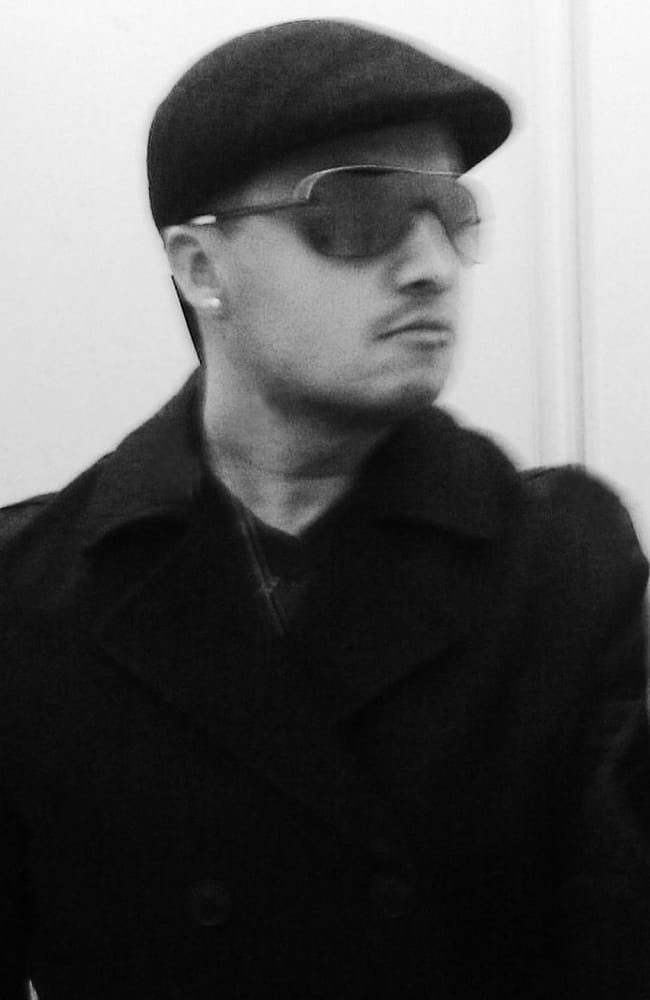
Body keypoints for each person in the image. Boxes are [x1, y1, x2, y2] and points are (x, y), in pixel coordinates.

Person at [0, 18, 649, 1000]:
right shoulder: (28, 599)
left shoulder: (563, 566)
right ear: (200, 267)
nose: (432, 265)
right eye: (358, 213)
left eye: (450, 213)